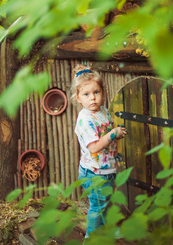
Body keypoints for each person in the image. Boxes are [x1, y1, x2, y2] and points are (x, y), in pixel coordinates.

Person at [71, 64, 126, 239]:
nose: (92, 98)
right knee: (97, 207)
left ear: (103, 92)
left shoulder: (102, 111)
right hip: (94, 173)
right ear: (78, 97)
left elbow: (104, 134)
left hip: (106, 169)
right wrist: (112, 134)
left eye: (96, 92)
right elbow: (94, 147)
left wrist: (115, 134)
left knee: (107, 202)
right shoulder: (85, 120)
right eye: (86, 94)